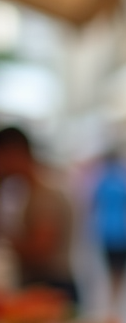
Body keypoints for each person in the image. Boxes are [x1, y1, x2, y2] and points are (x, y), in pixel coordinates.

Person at [0, 126, 77, 302]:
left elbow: (41, 249)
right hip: (46, 285)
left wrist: (9, 239)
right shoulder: (33, 190)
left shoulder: (45, 193)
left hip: (51, 287)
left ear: (13, 153)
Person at [86, 148, 126, 307]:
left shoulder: (101, 181)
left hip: (106, 231)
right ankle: (119, 301)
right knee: (122, 271)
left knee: (111, 270)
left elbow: (93, 205)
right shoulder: (125, 180)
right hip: (124, 232)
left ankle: (112, 301)